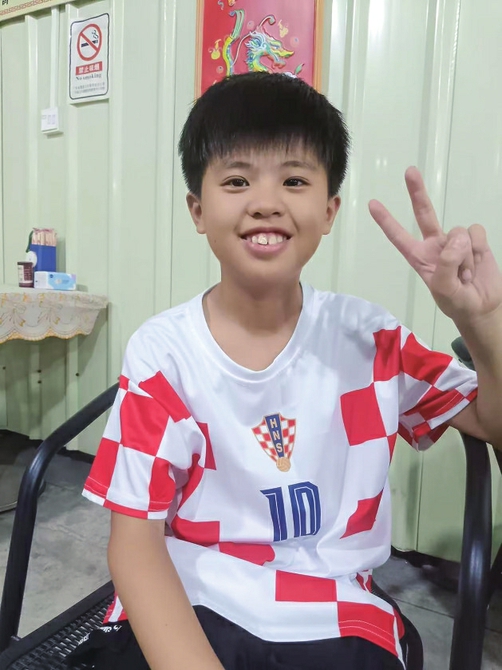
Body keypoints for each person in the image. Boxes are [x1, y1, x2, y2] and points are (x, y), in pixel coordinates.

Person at [74, 72, 502, 670]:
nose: (266, 201)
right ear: (198, 210)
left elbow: (489, 421)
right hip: (192, 597)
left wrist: (482, 322)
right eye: (237, 180)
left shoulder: (370, 339)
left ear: (329, 212)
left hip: (333, 615)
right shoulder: (164, 353)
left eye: (294, 180)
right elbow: (134, 545)